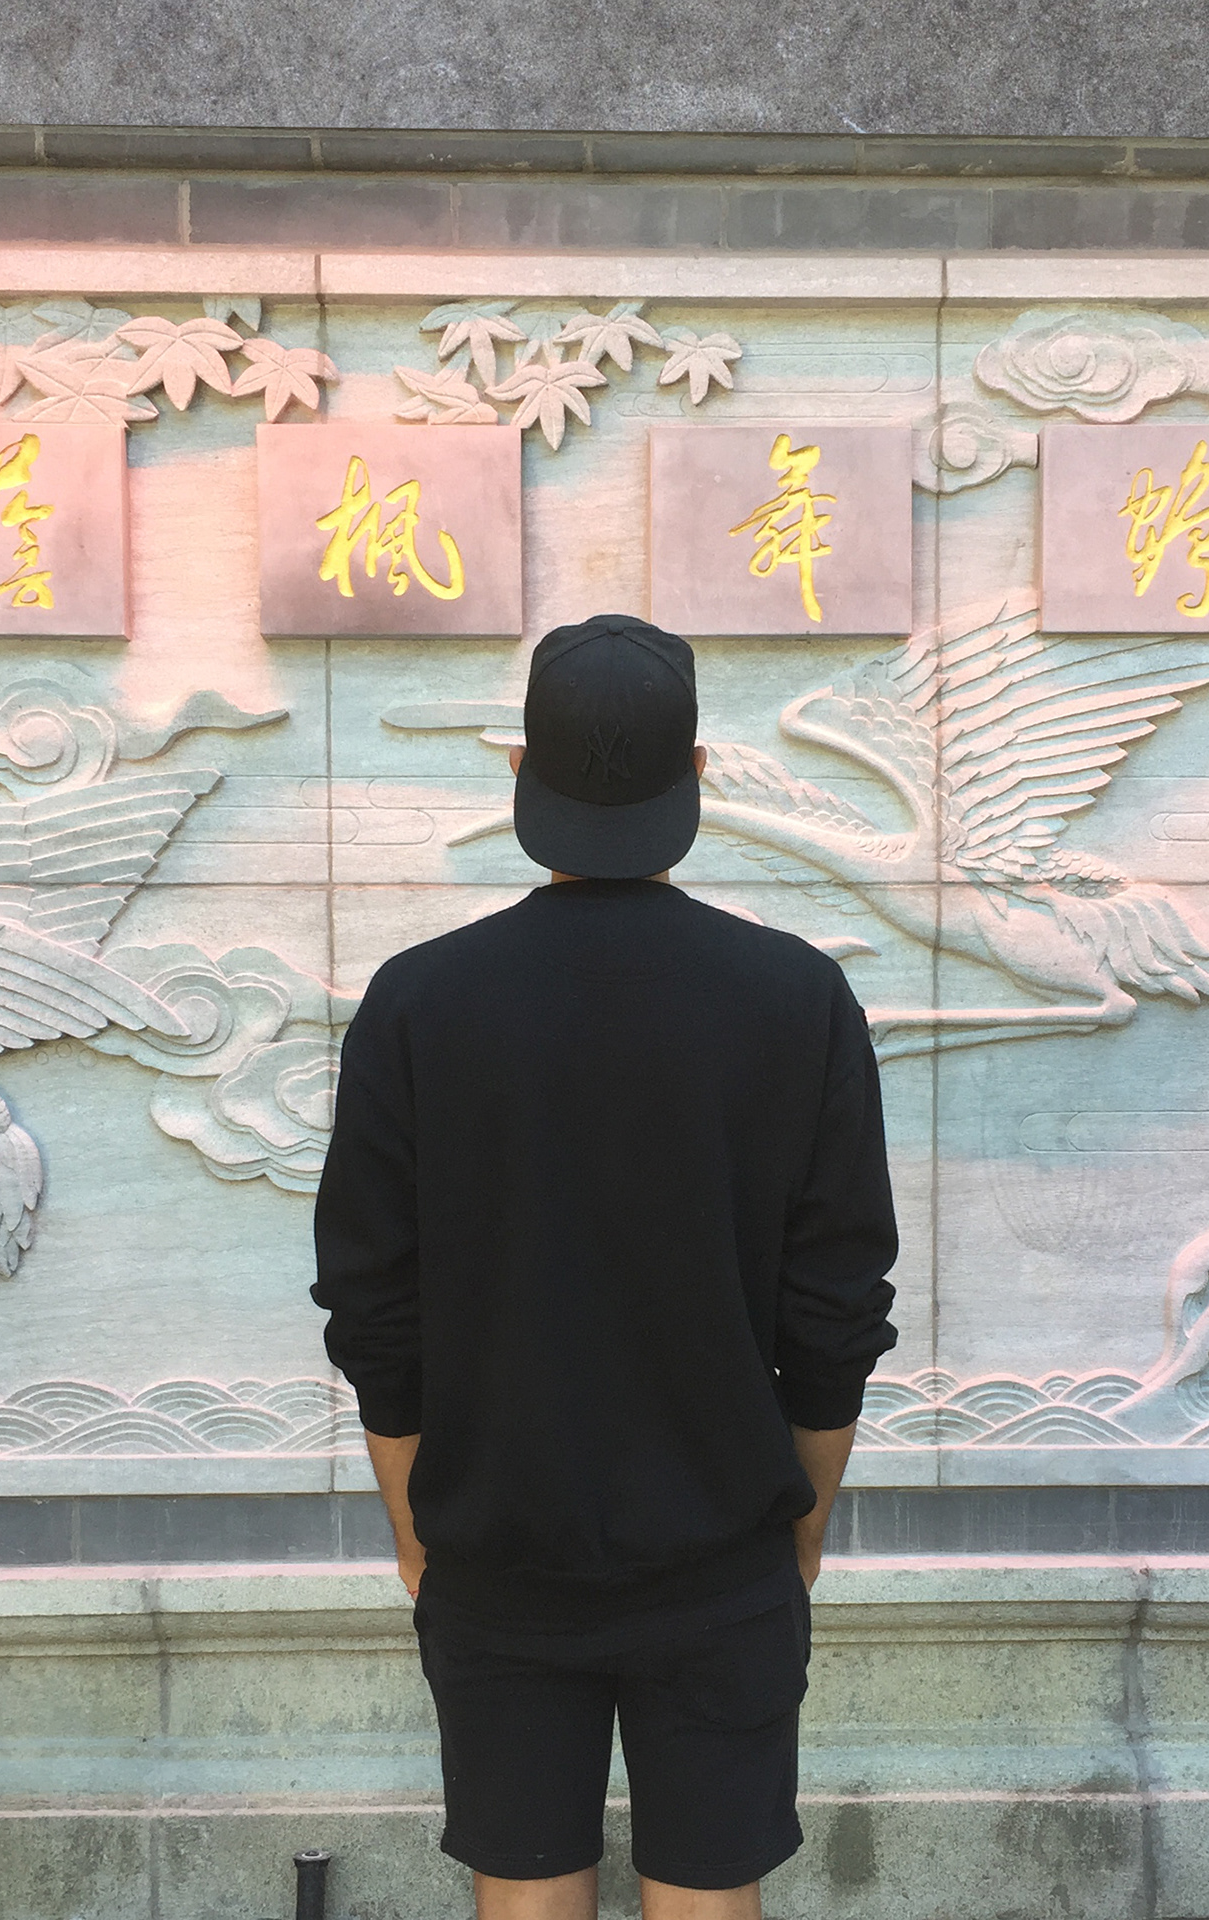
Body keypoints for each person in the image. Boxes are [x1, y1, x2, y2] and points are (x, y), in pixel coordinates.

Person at [313, 613, 899, 1920]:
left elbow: (374, 1310)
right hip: (725, 1554)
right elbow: (836, 1312)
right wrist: (796, 1534)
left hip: (497, 1559)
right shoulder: (798, 998)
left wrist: (416, 1533)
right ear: (696, 774)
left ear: (522, 771)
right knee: (710, 1896)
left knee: (525, 1896)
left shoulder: (419, 1003)